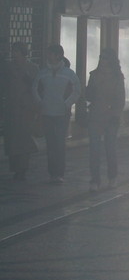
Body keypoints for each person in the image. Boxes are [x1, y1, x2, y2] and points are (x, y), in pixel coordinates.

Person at [32, 44, 81, 184]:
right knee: (50, 144)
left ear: (58, 55)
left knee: (59, 143)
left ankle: (59, 173)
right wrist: (40, 102)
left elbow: (77, 90)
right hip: (47, 113)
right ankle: (52, 172)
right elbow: (35, 88)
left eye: (51, 53)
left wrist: (67, 104)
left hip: (62, 114)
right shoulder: (43, 73)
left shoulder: (69, 74)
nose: (48, 56)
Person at [86, 48, 127, 191]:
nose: (102, 61)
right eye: (101, 58)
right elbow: (89, 94)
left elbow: (120, 98)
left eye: (105, 58)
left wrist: (115, 115)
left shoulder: (117, 77)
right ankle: (95, 180)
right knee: (94, 150)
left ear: (111, 60)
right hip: (95, 116)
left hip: (111, 118)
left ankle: (112, 176)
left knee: (110, 148)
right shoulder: (94, 75)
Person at [3, 43, 38, 181]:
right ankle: (15, 167)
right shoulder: (8, 67)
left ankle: (22, 168)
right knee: (11, 138)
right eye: (13, 51)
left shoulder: (32, 68)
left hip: (25, 108)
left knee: (23, 138)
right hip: (11, 107)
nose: (14, 54)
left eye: (16, 51)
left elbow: (36, 87)